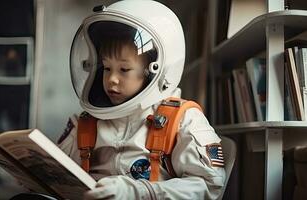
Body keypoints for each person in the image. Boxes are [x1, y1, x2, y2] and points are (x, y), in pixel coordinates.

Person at [55, 0, 226, 199]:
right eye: (107, 68)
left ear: (157, 70)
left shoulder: (181, 121)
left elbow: (209, 186)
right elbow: (57, 173)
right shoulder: (86, 122)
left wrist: (139, 192)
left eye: (124, 69)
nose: (112, 79)